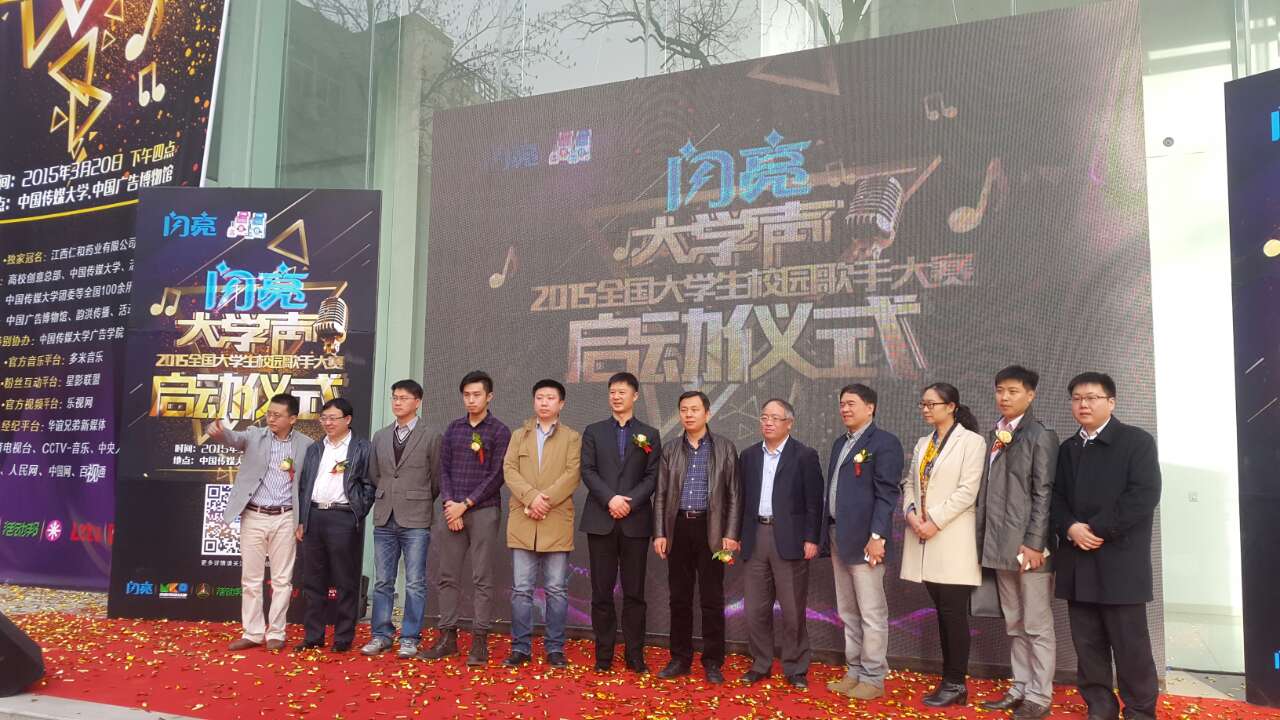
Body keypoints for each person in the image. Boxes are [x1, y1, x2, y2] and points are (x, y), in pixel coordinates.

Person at [1051, 372, 1161, 720]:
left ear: (1111, 402)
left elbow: (1143, 495)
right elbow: (1055, 497)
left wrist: (1095, 530)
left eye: (1092, 398)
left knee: (1130, 647)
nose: (1083, 404)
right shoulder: (1068, 448)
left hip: (1120, 562)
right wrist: (1070, 527)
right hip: (1078, 561)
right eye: (1077, 398)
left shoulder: (1136, 441)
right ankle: (1099, 708)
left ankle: (1140, 711)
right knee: (1088, 647)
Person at [974, 366, 1059, 718]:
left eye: (1013, 391)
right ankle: (1020, 686)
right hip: (999, 545)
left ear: (1030, 395)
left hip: (1029, 549)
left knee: (1037, 624)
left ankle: (1040, 695)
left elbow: (1044, 493)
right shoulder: (996, 433)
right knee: (1014, 622)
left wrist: (1035, 543)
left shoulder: (1041, 435)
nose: (1004, 397)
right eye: (1000, 390)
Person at [901, 382, 986, 707]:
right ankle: (950, 681)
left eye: (932, 404)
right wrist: (911, 514)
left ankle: (955, 682)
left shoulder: (972, 442)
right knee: (942, 612)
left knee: (953, 614)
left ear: (951, 407)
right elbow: (910, 483)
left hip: (952, 539)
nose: (925, 409)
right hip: (923, 537)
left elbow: (968, 491)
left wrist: (933, 521)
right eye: (923, 404)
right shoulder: (924, 443)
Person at [207, 393, 313, 651]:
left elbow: (308, 486)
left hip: (286, 517)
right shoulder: (255, 435)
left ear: (292, 419)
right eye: (269, 414)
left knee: (282, 580)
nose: (271, 419)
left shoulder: (307, 445)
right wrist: (220, 432)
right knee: (251, 579)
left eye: (277, 415)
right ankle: (253, 632)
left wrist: (302, 520)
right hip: (253, 514)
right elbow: (234, 439)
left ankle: (276, 632)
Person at [419, 371, 511, 666]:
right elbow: (443, 470)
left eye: (477, 395)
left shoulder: (499, 431)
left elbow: (498, 475)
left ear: (489, 396)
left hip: (483, 511)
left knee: (481, 577)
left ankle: (480, 641)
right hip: (452, 512)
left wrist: (466, 504)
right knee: (447, 575)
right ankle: (448, 638)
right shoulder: (454, 429)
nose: (471, 400)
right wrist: (450, 504)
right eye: (467, 395)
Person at [651, 390, 742, 685]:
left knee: (712, 599)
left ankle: (713, 661)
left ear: (707, 413)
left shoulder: (724, 448)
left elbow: (735, 495)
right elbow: (661, 494)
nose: (688, 414)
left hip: (711, 530)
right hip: (678, 528)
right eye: (683, 409)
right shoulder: (670, 449)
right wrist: (660, 533)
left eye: (694, 409)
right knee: (679, 598)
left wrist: (731, 534)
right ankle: (680, 658)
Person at [821, 384, 904, 700]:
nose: (844, 409)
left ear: (870, 408)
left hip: (867, 541)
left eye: (851, 403)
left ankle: (873, 676)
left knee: (871, 612)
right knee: (848, 611)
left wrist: (877, 537)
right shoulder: (840, 443)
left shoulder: (884, 442)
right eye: (842, 403)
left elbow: (887, 494)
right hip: (838, 535)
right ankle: (854, 671)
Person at [738, 399, 824, 688]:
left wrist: (811, 538)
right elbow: (740, 498)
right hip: (755, 536)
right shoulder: (749, 456)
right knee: (755, 609)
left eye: (775, 418)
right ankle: (760, 663)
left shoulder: (804, 455)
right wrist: (735, 534)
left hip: (790, 539)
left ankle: (795, 667)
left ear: (789, 423)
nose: (768, 422)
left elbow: (814, 502)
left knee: (792, 609)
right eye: (764, 417)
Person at [579, 372, 661, 673]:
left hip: (635, 521)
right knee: (601, 592)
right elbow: (587, 470)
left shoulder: (649, 434)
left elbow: (652, 476)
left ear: (635, 396)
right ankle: (603, 655)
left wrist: (630, 501)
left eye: (622, 392)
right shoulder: (594, 431)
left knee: (634, 593)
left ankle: (634, 654)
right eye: (612, 391)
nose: (616, 396)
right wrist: (610, 499)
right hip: (601, 519)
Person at [503, 379, 582, 668]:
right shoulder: (519, 435)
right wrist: (531, 498)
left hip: (555, 519)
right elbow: (509, 469)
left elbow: (573, 474)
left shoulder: (572, 437)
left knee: (556, 590)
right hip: (524, 519)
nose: (544, 402)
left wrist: (543, 501)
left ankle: (555, 648)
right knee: (521, 589)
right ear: (533, 401)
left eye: (550, 398)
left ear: (561, 404)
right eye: (539, 397)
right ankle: (520, 647)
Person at [360, 380, 442, 659]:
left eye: (404, 398)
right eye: (394, 397)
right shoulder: (381, 436)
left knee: (415, 582)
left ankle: (409, 637)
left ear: (417, 402)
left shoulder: (431, 436)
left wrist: (417, 498)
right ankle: (381, 635)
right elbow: (375, 474)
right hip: (385, 515)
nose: (397, 402)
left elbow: (436, 479)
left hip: (416, 517)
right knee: (383, 581)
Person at [293, 397, 375, 652]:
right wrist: (302, 519)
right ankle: (313, 636)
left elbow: (370, 484)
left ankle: (343, 637)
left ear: (347, 419)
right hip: (314, 516)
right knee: (313, 580)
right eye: (324, 418)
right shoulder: (316, 448)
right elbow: (304, 486)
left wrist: (357, 512)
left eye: (333, 418)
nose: (327, 423)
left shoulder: (362, 448)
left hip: (343, 517)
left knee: (345, 580)